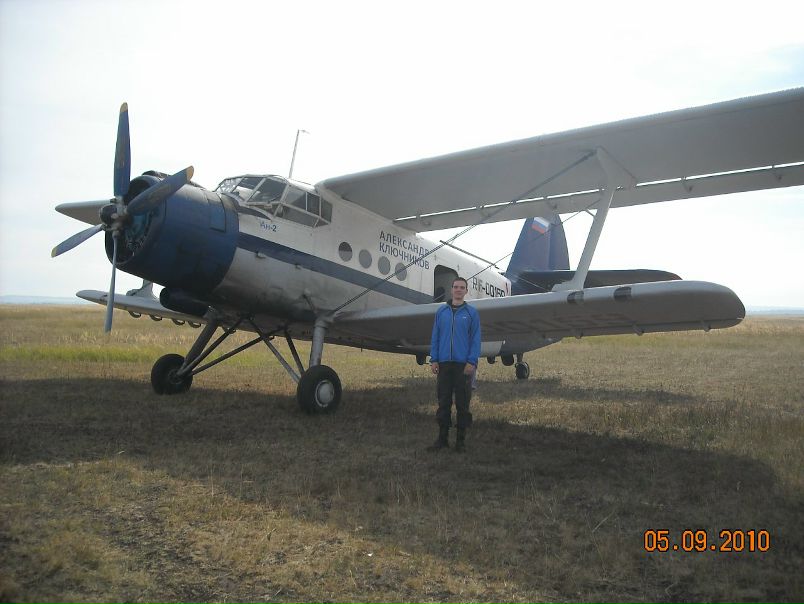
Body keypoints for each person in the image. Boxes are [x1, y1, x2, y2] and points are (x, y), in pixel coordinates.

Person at [428, 277, 481, 452]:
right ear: (451, 290)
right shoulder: (441, 312)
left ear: (466, 291)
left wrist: (471, 361)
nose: (458, 290)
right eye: (456, 287)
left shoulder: (472, 313)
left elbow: (475, 339)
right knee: (443, 401)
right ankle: (442, 439)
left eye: (462, 287)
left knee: (462, 403)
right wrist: (434, 359)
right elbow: (435, 336)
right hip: (444, 363)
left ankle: (460, 441)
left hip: (462, 365)